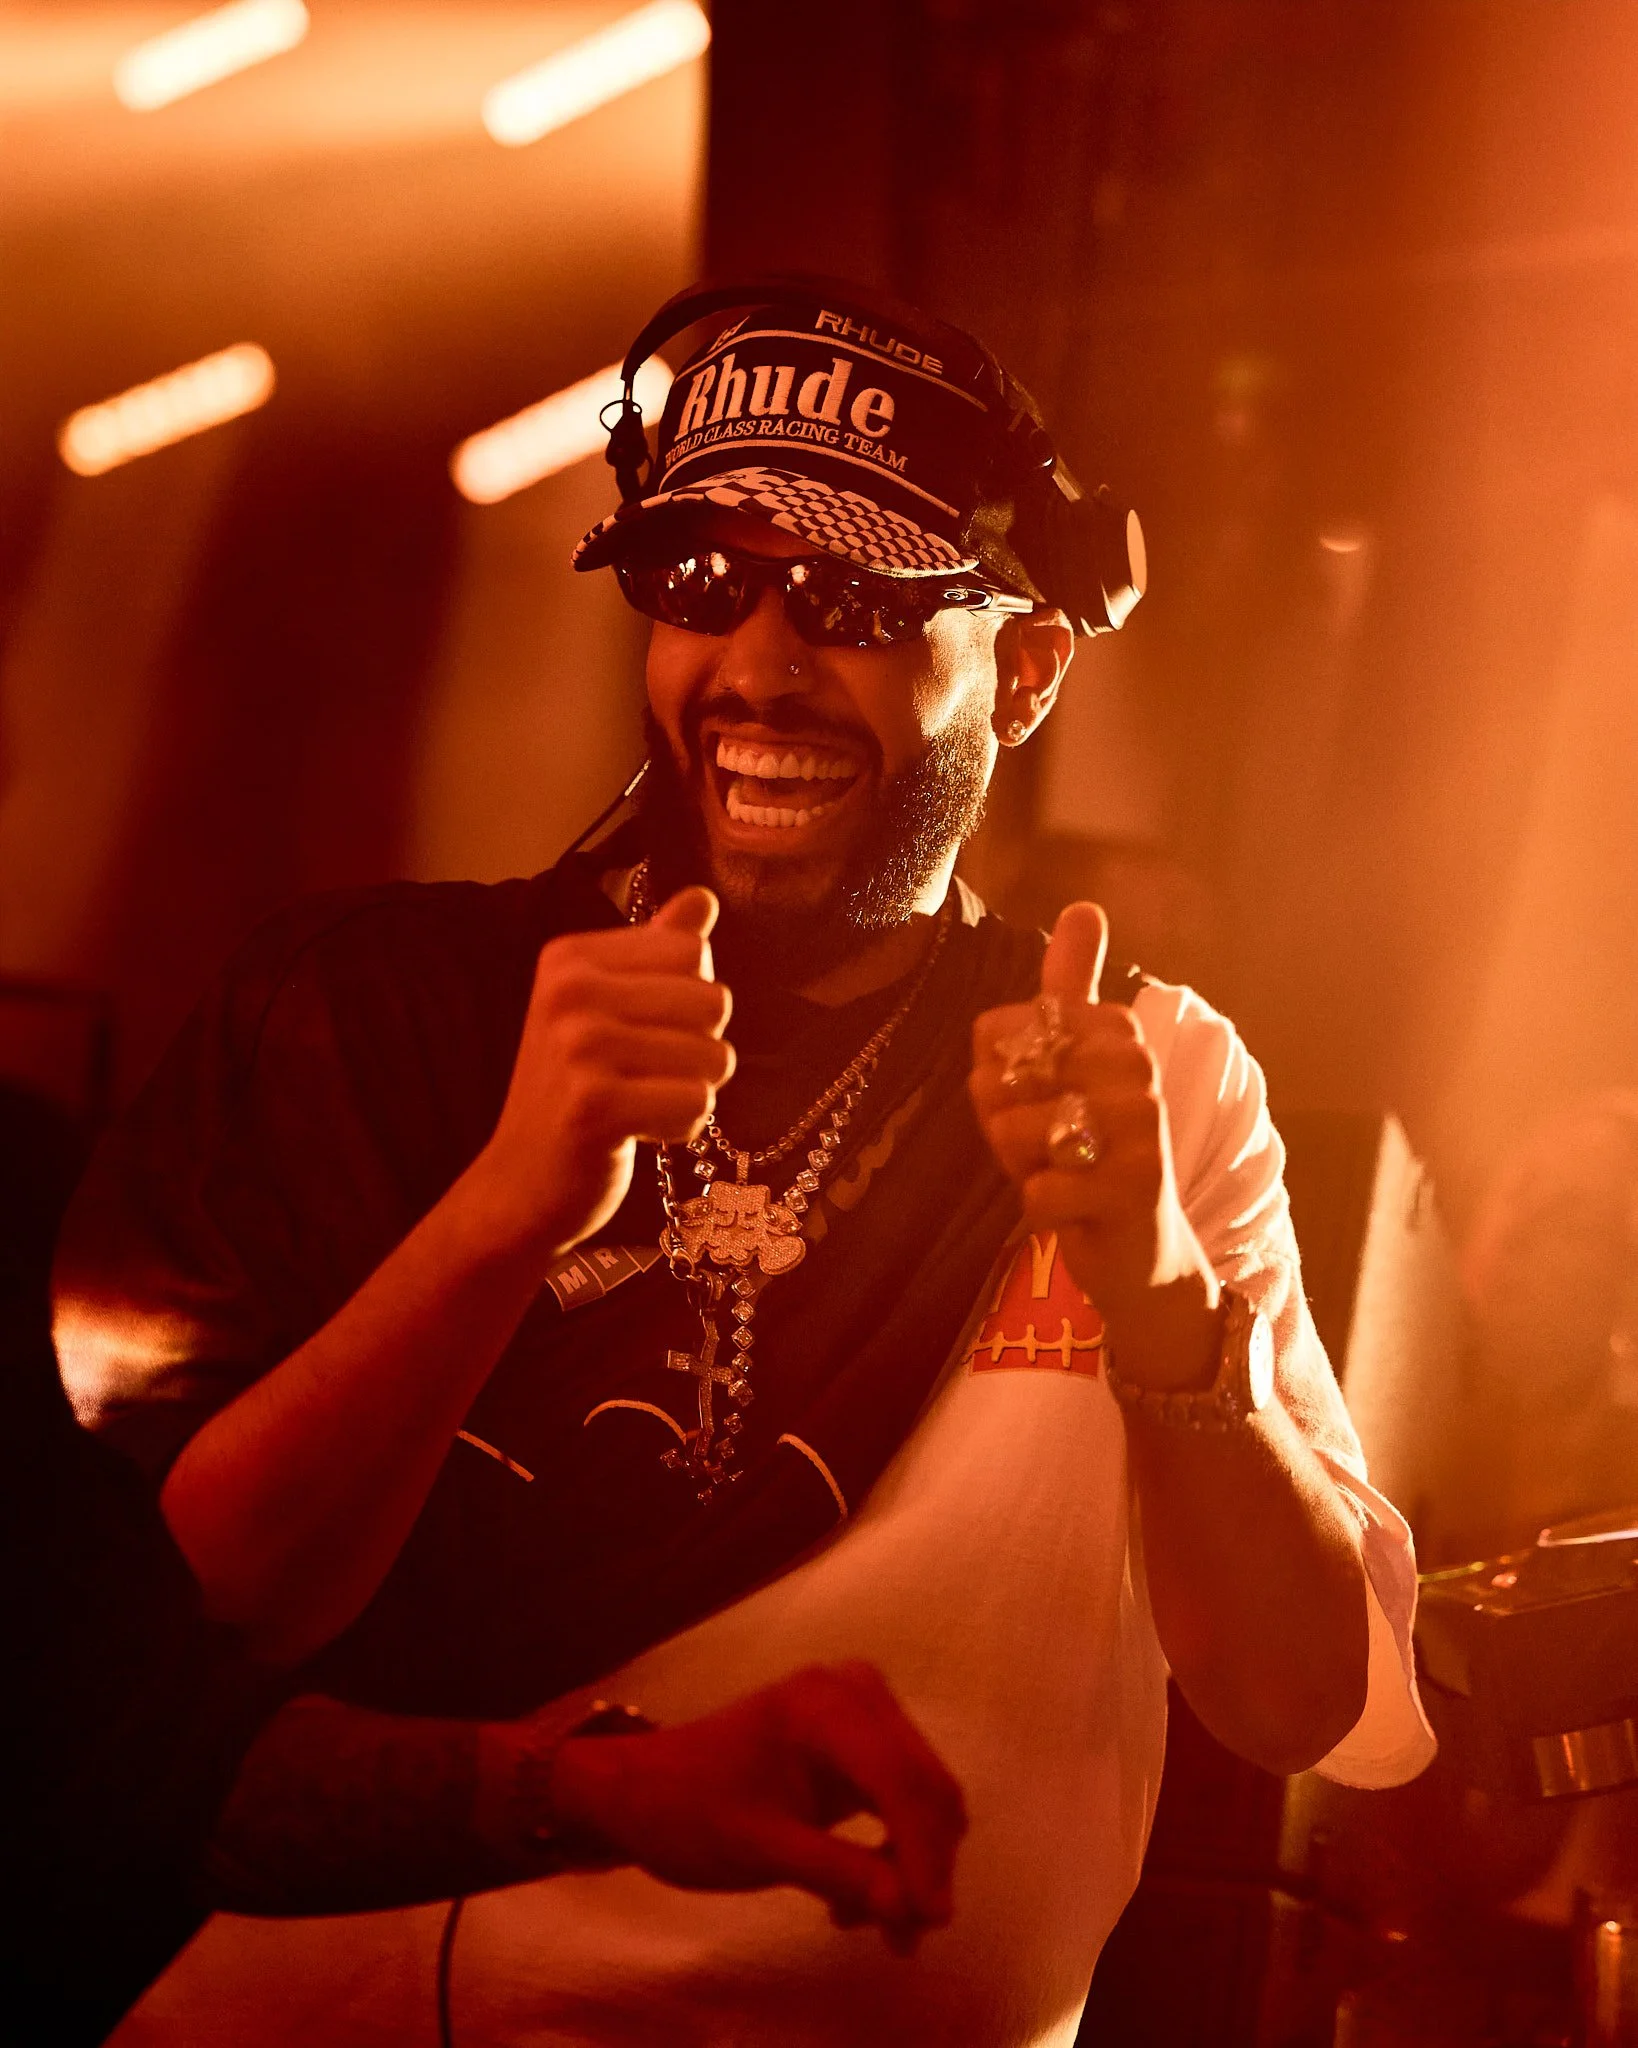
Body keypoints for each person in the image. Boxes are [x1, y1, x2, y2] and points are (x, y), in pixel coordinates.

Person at [56, 277, 1434, 2047]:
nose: (760, 669)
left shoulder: (1147, 1075)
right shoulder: (367, 1005)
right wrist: (504, 1209)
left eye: (855, 600)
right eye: (703, 581)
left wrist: (1165, 1304)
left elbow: (1297, 1707)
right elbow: (207, 1616)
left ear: (1023, 671)